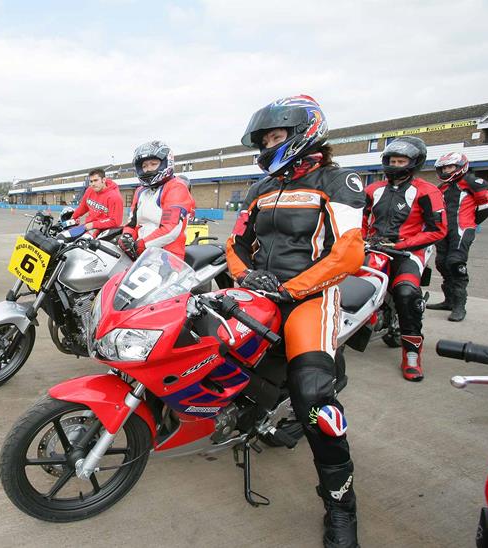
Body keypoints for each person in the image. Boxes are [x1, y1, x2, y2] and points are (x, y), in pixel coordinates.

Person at [227, 95, 365, 548]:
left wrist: (292, 288)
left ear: (305, 132)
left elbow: (349, 252)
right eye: (264, 137)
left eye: (276, 135)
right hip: (259, 292)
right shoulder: (259, 189)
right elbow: (236, 245)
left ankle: (341, 506)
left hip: (311, 298)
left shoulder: (338, 180)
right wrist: (247, 274)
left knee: (313, 400)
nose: (268, 144)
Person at [363, 136, 447, 382]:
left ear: (414, 163)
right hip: (373, 248)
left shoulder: (428, 191)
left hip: (409, 251)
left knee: (407, 294)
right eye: (392, 160)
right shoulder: (372, 189)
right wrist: (360, 240)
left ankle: (412, 354)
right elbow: (358, 219)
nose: (395, 165)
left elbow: (438, 230)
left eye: (401, 161)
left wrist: (401, 244)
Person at [426, 152, 488, 321]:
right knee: (441, 263)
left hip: (462, 229)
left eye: (450, 167)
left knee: (455, 263)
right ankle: (449, 301)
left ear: (460, 166)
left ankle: (459, 306)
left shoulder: (472, 182)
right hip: (443, 231)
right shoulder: (442, 187)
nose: (446, 170)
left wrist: (471, 223)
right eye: (444, 167)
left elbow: (487, 207)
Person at [118, 141, 195, 260]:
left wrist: (141, 244)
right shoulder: (140, 191)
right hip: (140, 253)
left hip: (167, 255)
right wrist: (126, 236)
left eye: (153, 164)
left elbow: (171, 229)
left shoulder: (176, 187)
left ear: (166, 163)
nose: (148, 169)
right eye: (144, 166)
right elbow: (132, 223)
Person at [65, 168, 124, 235]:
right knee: (63, 236)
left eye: (96, 180)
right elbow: (83, 206)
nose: (93, 184)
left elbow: (115, 221)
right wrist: (73, 217)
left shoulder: (114, 197)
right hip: (89, 226)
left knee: (80, 243)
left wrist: (93, 224)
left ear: (103, 180)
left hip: (104, 230)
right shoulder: (90, 190)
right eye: (91, 181)